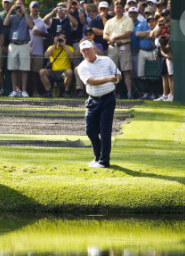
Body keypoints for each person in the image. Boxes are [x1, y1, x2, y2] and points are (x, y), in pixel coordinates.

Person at [77, 40, 120, 168]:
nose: (86, 52)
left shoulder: (106, 60)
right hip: (93, 99)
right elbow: (91, 81)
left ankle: (104, 161)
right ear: (81, 52)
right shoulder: (82, 66)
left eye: (88, 49)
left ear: (93, 48)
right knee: (90, 130)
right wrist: (109, 78)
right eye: (83, 51)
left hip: (108, 98)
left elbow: (118, 74)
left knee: (105, 130)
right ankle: (98, 156)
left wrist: (116, 78)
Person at [103, 1, 133, 99]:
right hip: (112, 47)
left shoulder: (128, 20)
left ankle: (129, 93)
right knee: (113, 71)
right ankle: (113, 94)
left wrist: (116, 36)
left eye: (120, 7)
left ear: (123, 9)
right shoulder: (109, 21)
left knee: (126, 71)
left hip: (124, 46)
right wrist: (111, 38)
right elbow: (105, 35)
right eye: (117, 8)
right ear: (114, 9)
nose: (118, 9)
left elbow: (128, 33)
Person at [3, 0, 33, 98]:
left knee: (24, 69)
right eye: (18, 4)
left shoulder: (28, 16)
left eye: (21, 4)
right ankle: (14, 90)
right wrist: (10, 10)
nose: (19, 6)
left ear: (24, 5)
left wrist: (25, 13)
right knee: (13, 69)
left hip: (24, 44)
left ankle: (24, 90)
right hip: (13, 45)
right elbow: (5, 23)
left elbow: (31, 26)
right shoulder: (12, 17)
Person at [39, 31, 73, 97]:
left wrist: (64, 46)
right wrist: (55, 45)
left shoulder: (69, 47)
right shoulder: (51, 47)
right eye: (59, 38)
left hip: (65, 71)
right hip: (54, 71)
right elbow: (46, 55)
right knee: (42, 71)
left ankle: (66, 92)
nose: (61, 40)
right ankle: (48, 91)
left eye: (63, 38)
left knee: (69, 71)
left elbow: (72, 57)